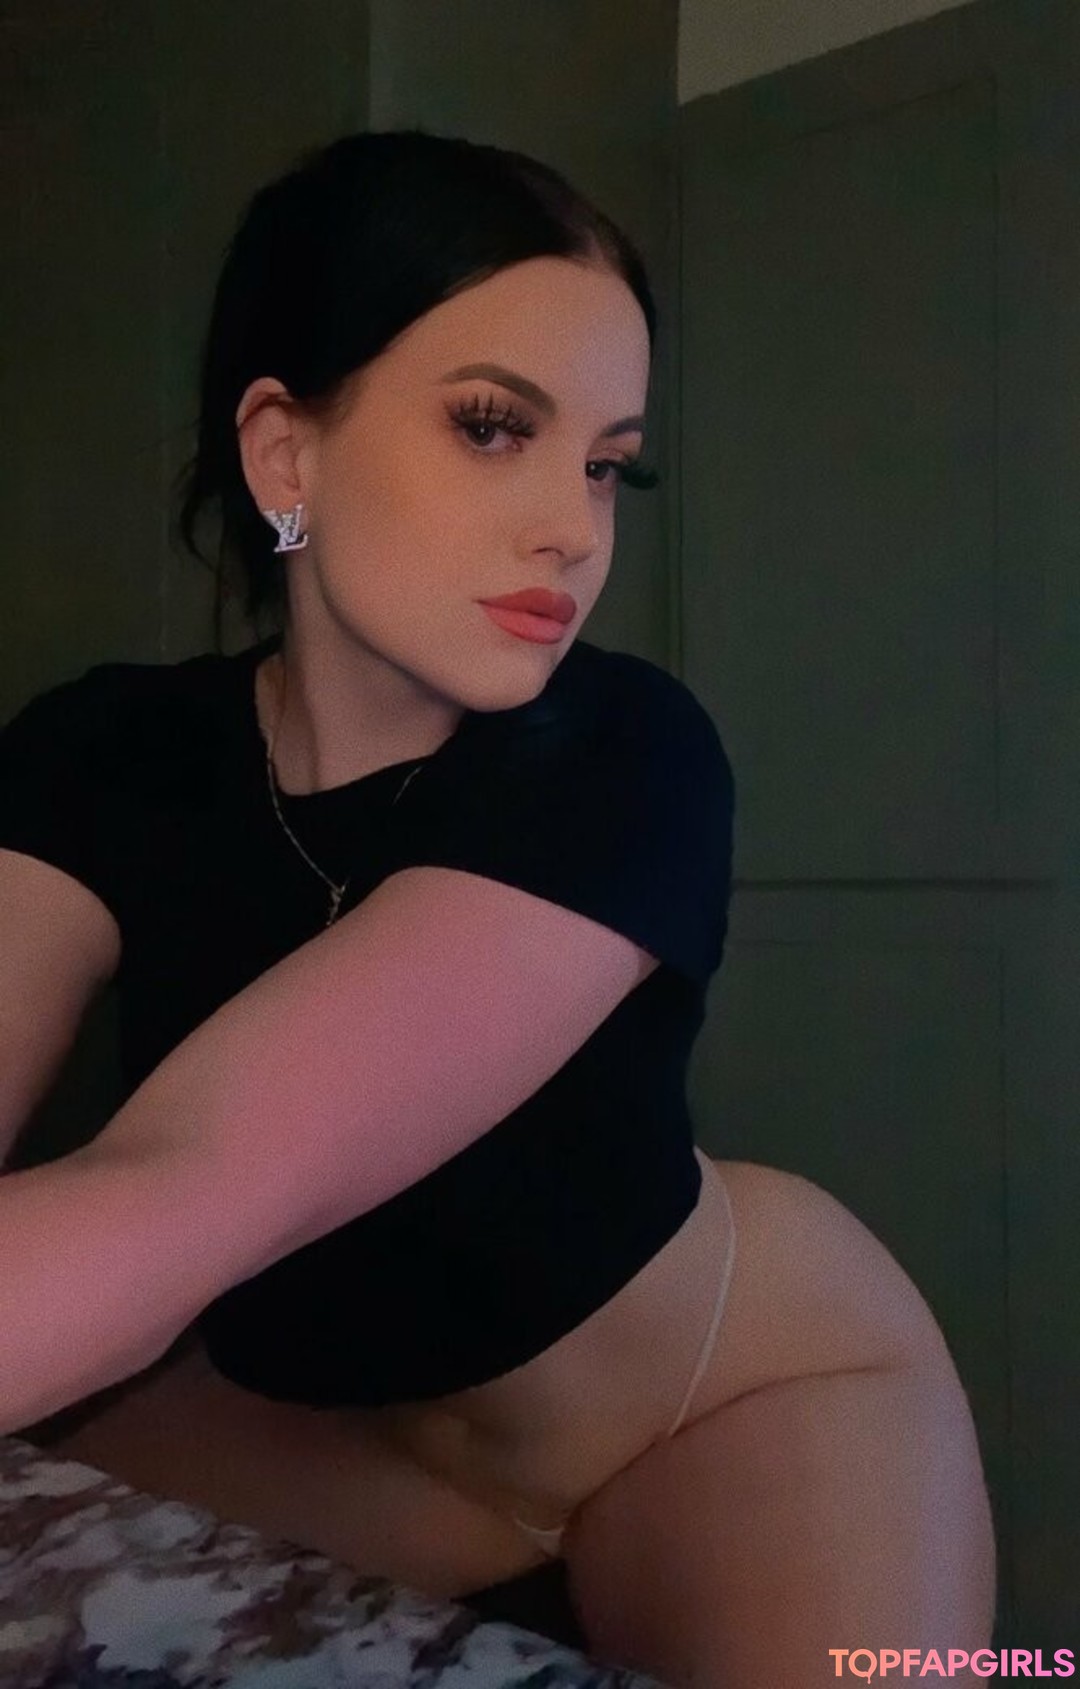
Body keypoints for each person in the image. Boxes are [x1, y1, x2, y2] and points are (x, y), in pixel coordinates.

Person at [0, 129, 995, 1687]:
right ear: (286, 456)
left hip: (714, 1393)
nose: (575, 528)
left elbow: (187, 1183)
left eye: (606, 463)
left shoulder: (624, 754)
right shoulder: (101, 750)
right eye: (491, 426)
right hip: (323, 1438)